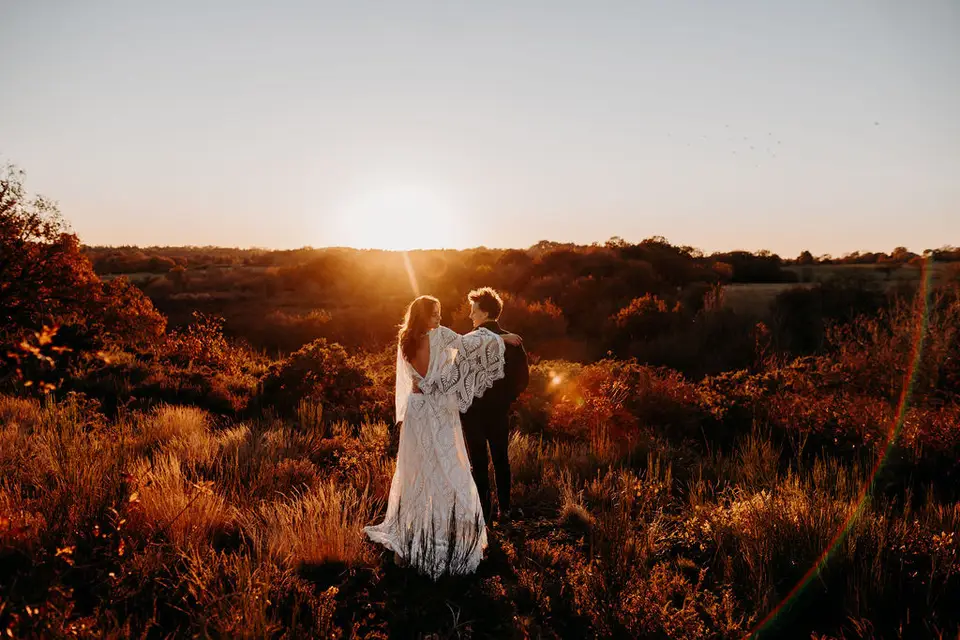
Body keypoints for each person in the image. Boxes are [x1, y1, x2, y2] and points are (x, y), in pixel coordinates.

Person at [363, 295, 522, 579]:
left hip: (417, 410)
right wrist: (503, 340)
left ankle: (416, 536)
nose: (439, 318)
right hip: (437, 410)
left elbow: (412, 379)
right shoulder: (440, 336)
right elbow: (470, 343)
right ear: (424, 316)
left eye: (439, 314)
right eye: (434, 314)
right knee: (451, 467)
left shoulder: (404, 339)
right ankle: (451, 535)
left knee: (418, 470)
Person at [460, 288, 529, 524]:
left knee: (478, 462)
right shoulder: (512, 340)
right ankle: (505, 510)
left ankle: (485, 513)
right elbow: (523, 379)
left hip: (471, 413)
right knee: (501, 459)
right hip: (499, 412)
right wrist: (506, 399)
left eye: (473, 311)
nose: (470, 316)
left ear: (486, 312)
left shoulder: (468, 342)